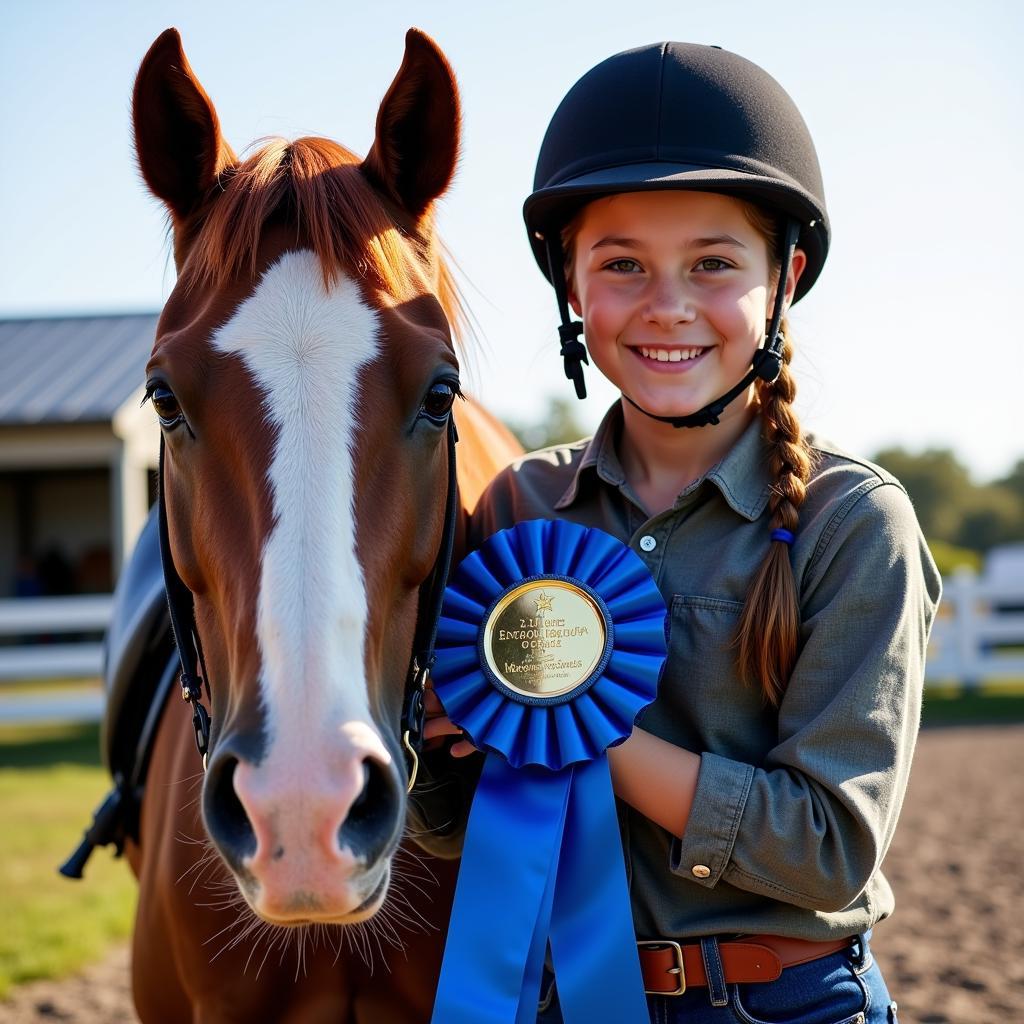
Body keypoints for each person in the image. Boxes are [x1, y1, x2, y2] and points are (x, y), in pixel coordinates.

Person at [423, 41, 940, 1023]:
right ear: (570, 284)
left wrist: (577, 717)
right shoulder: (517, 507)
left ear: (783, 276)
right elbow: (457, 830)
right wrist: (440, 747)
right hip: (563, 1001)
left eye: (712, 264)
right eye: (621, 265)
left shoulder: (854, 524)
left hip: (782, 1004)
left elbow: (827, 847)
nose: (667, 306)